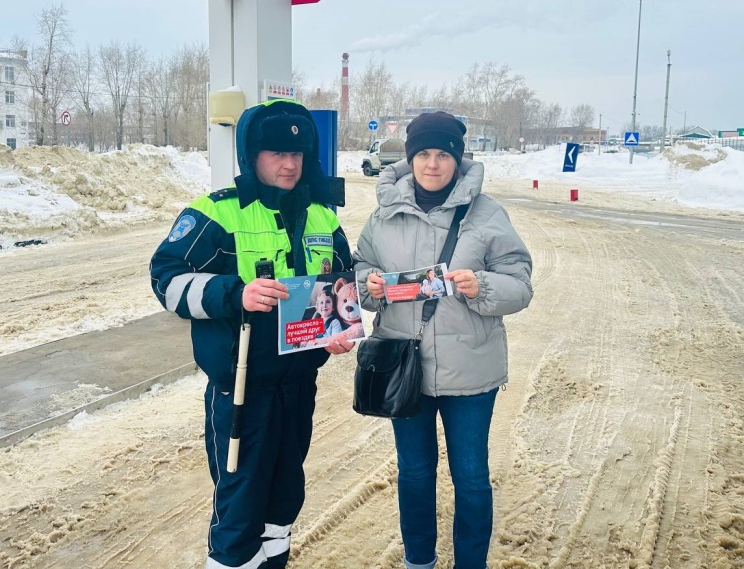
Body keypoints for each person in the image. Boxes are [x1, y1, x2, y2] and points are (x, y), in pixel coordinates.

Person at [150, 99, 355, 569]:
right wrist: (234, 293)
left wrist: (340, 328)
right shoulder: (217, 213)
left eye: (297, 154)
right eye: (277, 153)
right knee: (240, 509)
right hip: (243, 390)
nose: (289, 164)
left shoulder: (322, 215)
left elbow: (343, 280)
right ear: (251, 155)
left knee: (284, 500)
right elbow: (166, 279)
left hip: (298, 384)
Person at [353, 111, 533, 569]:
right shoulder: (384, 215)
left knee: (471, 477)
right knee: (414, 472)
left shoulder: (486, 214)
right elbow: (360, 269)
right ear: (410, 158)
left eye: (443, 155)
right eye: (424, 154)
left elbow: (520, 284)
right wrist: (369, 286)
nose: (432, 164)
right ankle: (419, 561)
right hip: (403, 366)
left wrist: (482, 286)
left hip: (470, 372)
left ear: (457, 159)